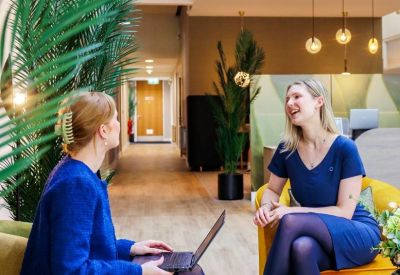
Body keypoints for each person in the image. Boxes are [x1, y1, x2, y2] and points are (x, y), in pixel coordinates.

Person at [21, 92, 204, 275]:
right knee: (192, 272)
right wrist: (139, 271)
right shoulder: (76, 184)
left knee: (190, 269)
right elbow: (72, 270)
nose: (119, 124)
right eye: (115, 119)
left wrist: (131, 248)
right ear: (103, 131)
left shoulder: (75, 170)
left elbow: (89, 244)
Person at [253, 80, 380, 275]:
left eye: (296, 96)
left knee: (290, 221)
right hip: (318, 234)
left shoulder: (345, 148)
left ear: (318, 102)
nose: (289, 103)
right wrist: (266, 206)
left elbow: (345, 212)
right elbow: (271, 190)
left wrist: (290, 212)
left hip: (357, 231)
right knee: (302, 248)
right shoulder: (287, 149)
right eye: (287, 99)